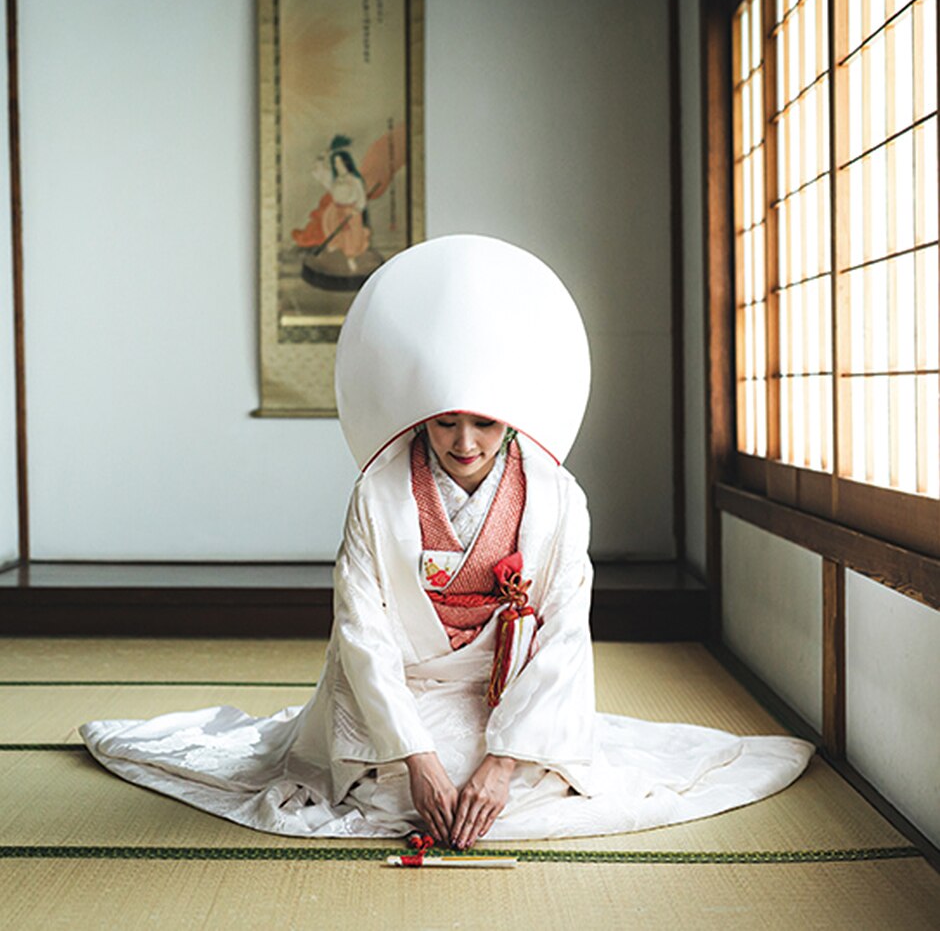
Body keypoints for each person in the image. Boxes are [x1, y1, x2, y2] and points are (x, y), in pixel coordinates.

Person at [81, 235, 813, 846]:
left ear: (515, 419)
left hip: (509, 696)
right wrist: (419, 760)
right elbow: (360, 636)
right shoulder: (379, 492)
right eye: (445, 421)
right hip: (398, 695)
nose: (465, 442)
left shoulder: (556, 497)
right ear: (419, 413)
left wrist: (499, 763)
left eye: (487, 424)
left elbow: (563, 638)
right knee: (402, 799)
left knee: (500, 796)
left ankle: (494, 767)